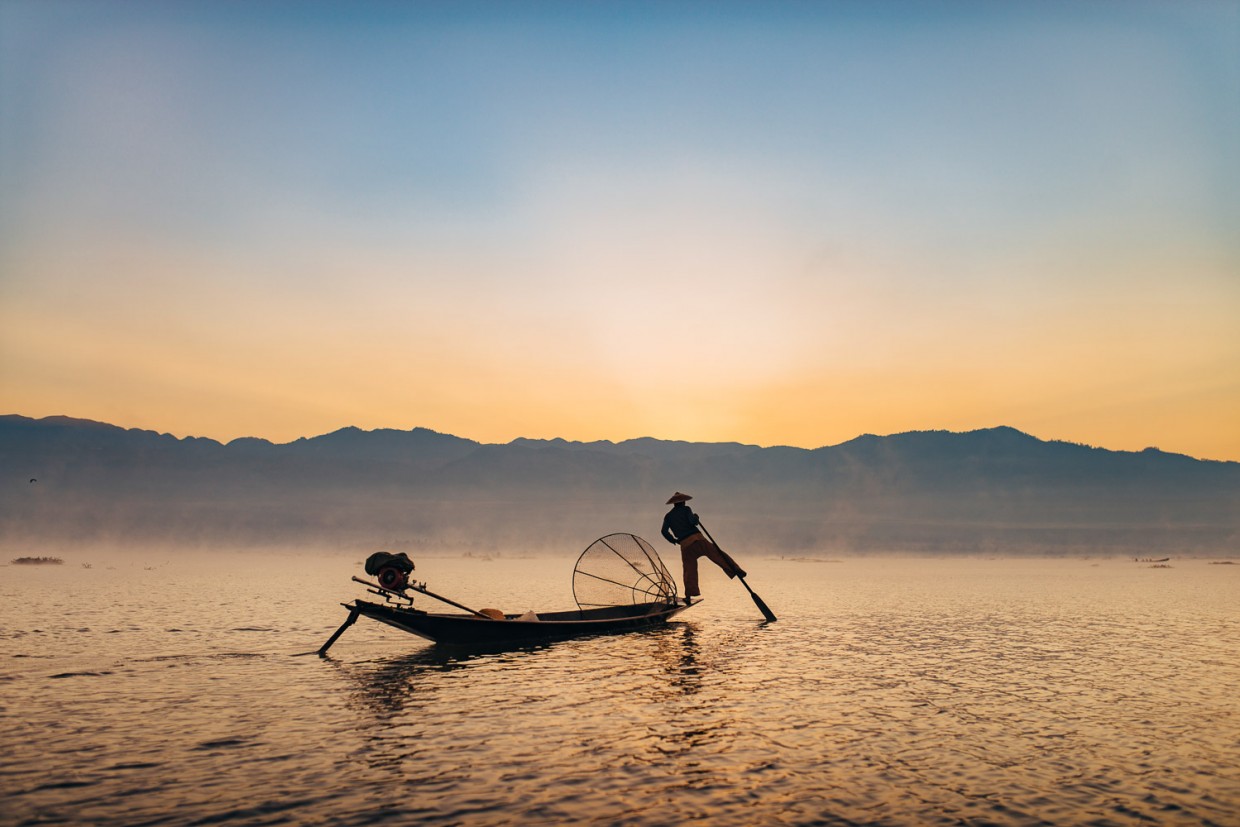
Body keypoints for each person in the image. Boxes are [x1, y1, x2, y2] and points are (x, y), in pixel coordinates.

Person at [660, 492, 746, 601]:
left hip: (686, 545)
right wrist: (696, 517)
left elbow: (664, 531)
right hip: (698, 539)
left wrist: (674, 540)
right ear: (683, 502)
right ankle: (736, 570)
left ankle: (689, 595)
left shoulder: (668, 516)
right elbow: (693, 522)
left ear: (674, 504)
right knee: (718, 555)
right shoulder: (686, 509)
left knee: (689, 570)